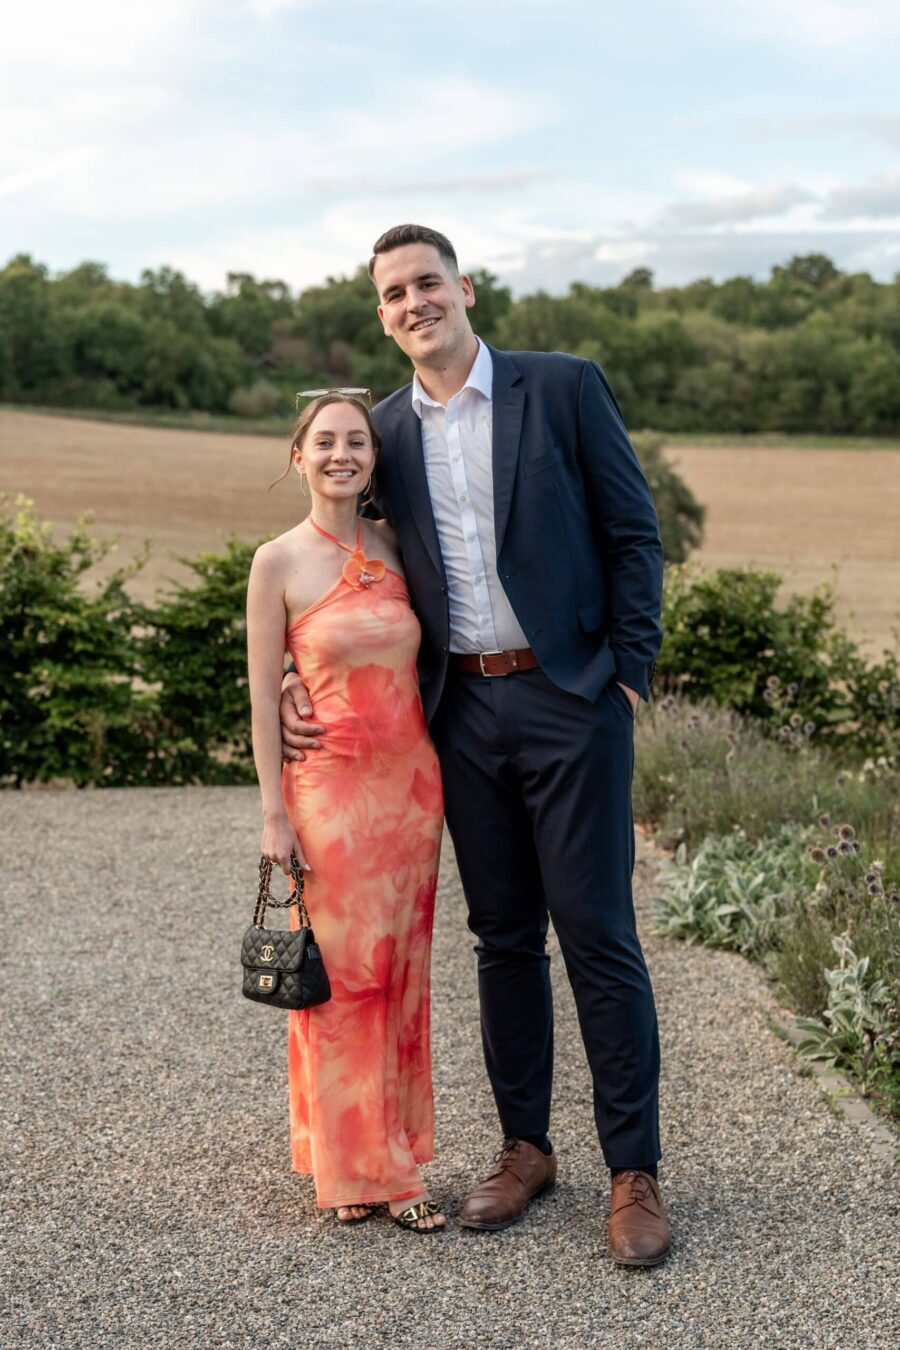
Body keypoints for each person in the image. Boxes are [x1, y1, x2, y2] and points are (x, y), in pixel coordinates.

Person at [281, 224, 670, 1265]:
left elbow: (634, 533)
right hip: (458, 714)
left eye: (428, 283)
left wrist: (625, 673)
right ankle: (526, 1149)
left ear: (465, 288)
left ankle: (634, 1171)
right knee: (502, 937)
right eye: (394, 293)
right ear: (382, 316)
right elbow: (337, 559)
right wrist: (290, 672)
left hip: (570, 697)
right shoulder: (383, 431)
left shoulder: (564, 386)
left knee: (598, 935)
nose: (414, 302)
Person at [246, 391, 446, 1232]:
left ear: (373, 459)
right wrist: (273, 815)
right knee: (343, 981)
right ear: (299, 457)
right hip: (328, 795)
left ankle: (361, 1149)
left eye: (357, 441)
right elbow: (262, 695)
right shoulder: (277, 561)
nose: (342, 454)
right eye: (325, 441)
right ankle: (372, 1170)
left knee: (399, 978)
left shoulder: (399, 544)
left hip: (412, 796)